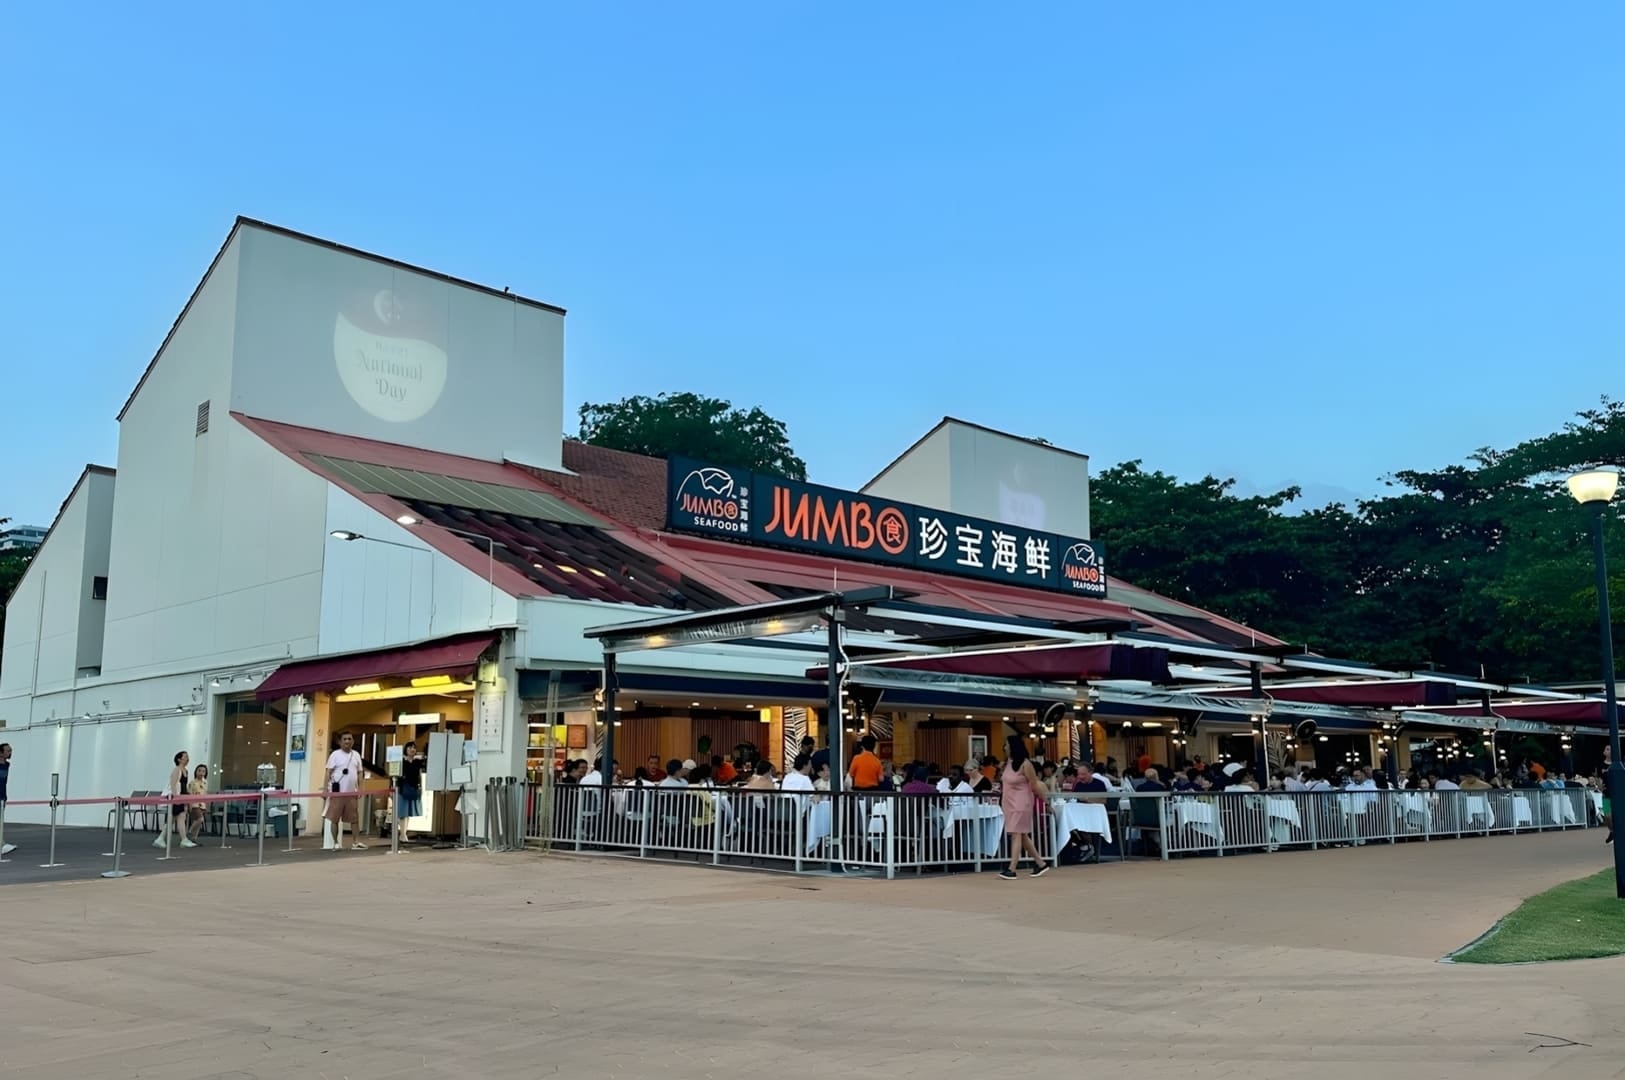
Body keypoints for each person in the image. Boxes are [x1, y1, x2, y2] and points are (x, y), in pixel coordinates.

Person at [998, 734, 1049, 880]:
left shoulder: (1026, 764)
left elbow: (1034, 785)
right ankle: (1041, 863)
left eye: (1007, 744)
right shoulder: (1008, 763)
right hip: (1009, 803)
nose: (1005, 747)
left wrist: (1044, 801)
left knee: (1016, 834)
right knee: (1022, 834)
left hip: (1022, 802)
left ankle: (1011, 868)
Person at [325, 732, 367, 851]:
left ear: (353, 741)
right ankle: (335, 843)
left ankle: (356, 842)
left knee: (354, 818)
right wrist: (325, 789)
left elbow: (360, 772)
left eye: (349, 739)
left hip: (351, 793)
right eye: (345, 739)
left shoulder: (356, 755)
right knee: (334, 818)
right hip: (337, 792)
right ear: (340, 742)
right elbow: (328, 771)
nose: (347, 741)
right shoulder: (335, 755)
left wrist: (361, 788)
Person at [154, 750, 197, 849]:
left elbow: (183, 786)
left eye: (187, 757)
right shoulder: (176, 770)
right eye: (185, 757)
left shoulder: (185, 771)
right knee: (178, 817)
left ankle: (161, 838)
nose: (187, 759)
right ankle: (183, 839)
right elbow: (173, 784)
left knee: (174, 818)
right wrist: (175, 798)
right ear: (179, 759)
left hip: (181, 797)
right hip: (175, 797)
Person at [397, 743, 424, 837]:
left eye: (414, 747)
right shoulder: (401, 762)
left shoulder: (418, 762)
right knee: (402, 812)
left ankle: (403, 833)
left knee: (408, 812)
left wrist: (421, 788)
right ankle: (403, 834)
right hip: (402, 788)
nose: (412, 749)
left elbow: (419, 776)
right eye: (410, 747)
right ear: (406, 750)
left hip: (413, 788)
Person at [185, 764, 211, 842]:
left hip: (202, 805)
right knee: (200, 819)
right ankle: (189, 831)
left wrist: (207, 805)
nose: (201, 773)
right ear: (196, 771)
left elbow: (205, 794)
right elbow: (189, 794)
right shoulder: (192, 783)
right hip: (194, 804)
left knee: (198, 823)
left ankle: (194, 839)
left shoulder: (205, 783)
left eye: (203, 771)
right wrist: (189, 805)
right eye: (199, 770)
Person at [0, 742, 14, 855]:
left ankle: (2, 843)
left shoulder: (7, 765)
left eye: (10, 750)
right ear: (1, 753)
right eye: (8, 751)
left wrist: (5, 797)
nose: (10, 753)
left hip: (2, 796)